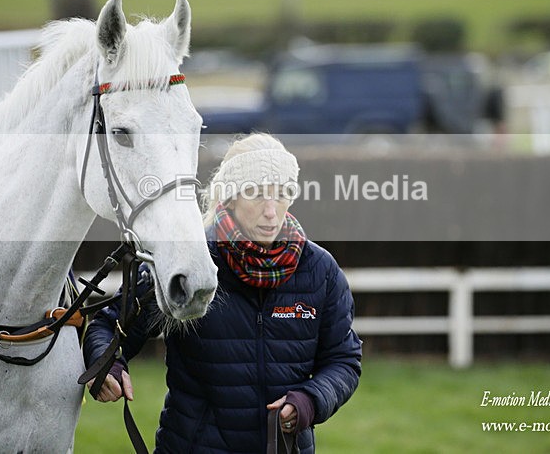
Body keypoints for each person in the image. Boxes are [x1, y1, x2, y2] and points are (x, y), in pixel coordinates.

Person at [83, 133, 362, 453]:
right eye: (257, 194)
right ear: (229, 197)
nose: (272, 211)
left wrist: (311, 401)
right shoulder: (186, 261)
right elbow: (109, 327)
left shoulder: (320, 270)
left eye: (282, 194)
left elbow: (343, 359)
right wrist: (108, 365)